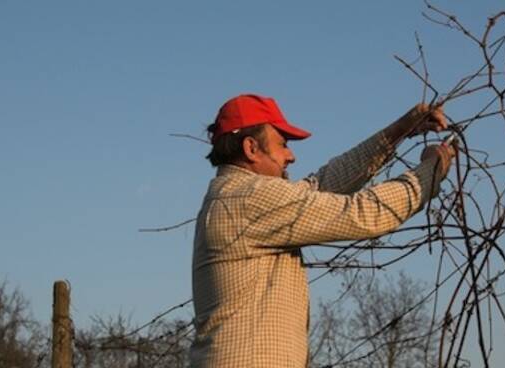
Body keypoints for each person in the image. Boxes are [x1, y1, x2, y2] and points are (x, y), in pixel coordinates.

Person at [190, 94, 455, 367]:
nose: (290, 156)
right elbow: (364, 214)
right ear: (251, 148)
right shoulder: (248, 198)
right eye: (282, 144)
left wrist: (401, 129)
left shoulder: (235, 196)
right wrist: (430, 171)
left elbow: (321, 185)